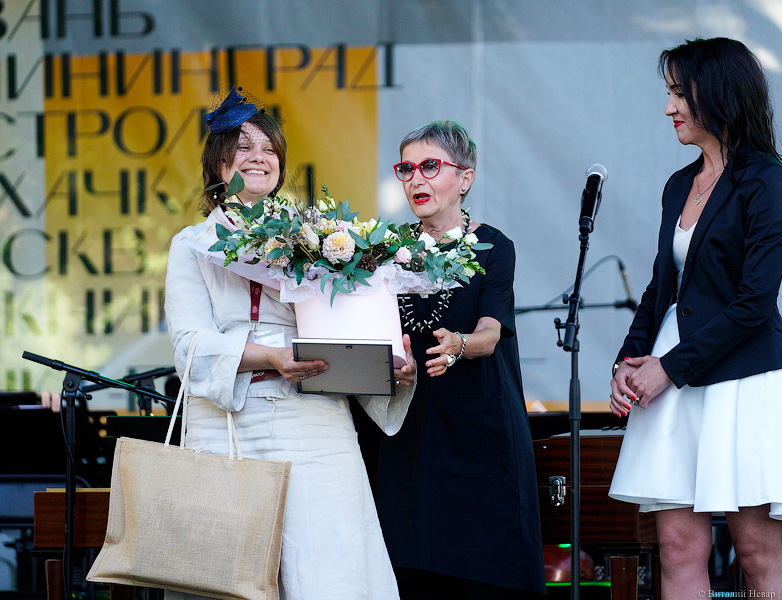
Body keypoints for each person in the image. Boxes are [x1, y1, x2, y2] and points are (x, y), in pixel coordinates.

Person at [164, 87, 416, 600]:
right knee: (228, 575)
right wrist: (272, 357)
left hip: (313, 423)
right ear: (218, 163)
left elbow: (344, 332)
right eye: (243, 146)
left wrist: (387, 367)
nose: (258, 156)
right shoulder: (192, 243)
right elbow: (189, 346)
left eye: (269, 148)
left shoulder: (320, 239)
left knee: (330, 568)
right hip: (226, 423)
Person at [607, 39, 782, 599]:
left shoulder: (765, 181)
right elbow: (662, 287)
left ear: (718, 94)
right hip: (675, 377)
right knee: (677, 548)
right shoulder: (678, 185)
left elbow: (755, 303)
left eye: (679, 94)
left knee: (756, 550)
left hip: (741, 377)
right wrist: (628, 362)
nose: (669, 108)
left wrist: (668, 369)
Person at [373, 120, 545, 599]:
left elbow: (490, 333)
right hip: (411, 432)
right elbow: (375, 335)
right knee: (411, 570)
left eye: (430, 166)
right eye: (406, 169)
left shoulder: (494, 247)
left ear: (465, 178)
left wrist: (459, 344)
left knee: (483, 570)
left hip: (480, 432)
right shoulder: (386, 251)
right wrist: (392, 365)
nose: (416, 179)